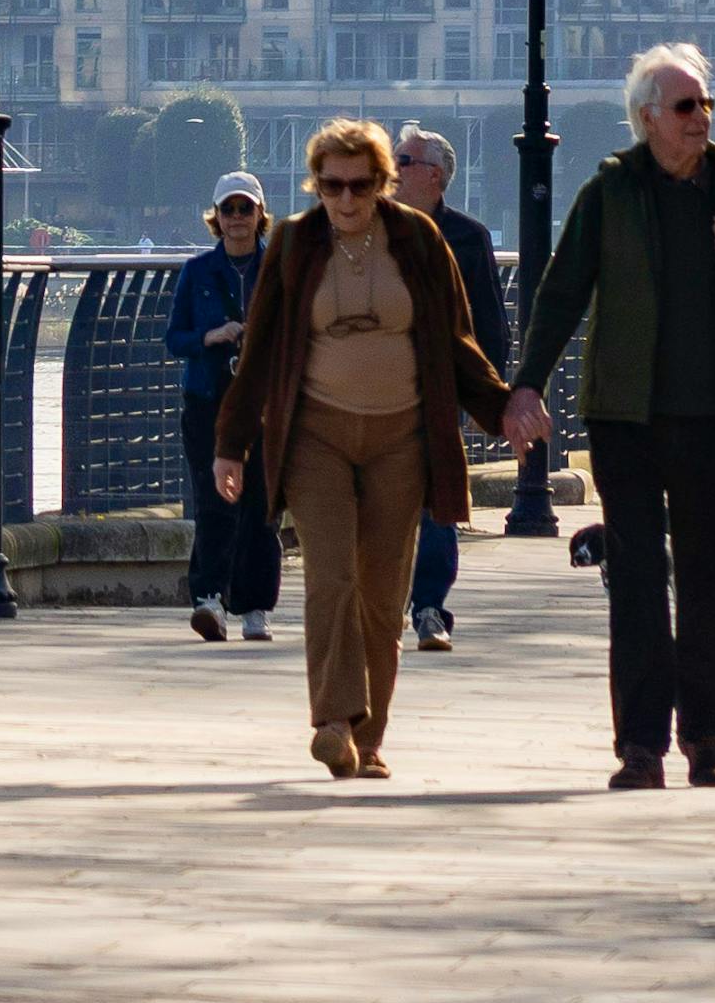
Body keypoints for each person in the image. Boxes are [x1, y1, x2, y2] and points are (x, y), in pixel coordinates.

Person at [497, 42, 715, 788]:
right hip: (624, 418)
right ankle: (640, 746)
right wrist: (526, 384)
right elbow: (561, 291)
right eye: (687, 107)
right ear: (648, 117)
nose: (702, 120)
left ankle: (704, 737)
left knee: (710, 577)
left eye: (706, 106)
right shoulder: (610, 195)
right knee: (634, 579)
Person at [216, 118, 511, 779]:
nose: (345, 200)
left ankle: (369, 740)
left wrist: (503, 407)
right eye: (330, 185)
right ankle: (331, 720)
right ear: (315, 184)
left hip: (399, 438)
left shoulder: (418, 240)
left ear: (382, 184)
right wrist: (230, 446)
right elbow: (258, 350)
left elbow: (458, 341)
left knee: (383, 594)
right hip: (315, 433)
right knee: (331, 575)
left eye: (358, 185)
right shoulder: (293, 243)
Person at [396, 124, 515, 653]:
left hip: (440, 390)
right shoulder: (373, 229)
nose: (392, 169)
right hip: (377, 387)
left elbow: (491, 327)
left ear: (436, 176)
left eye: (404, 161)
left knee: (437, 504)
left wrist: (481, 396)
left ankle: (428, 608)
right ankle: (383, 602)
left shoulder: (468, 237)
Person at [163, 183, 283, 643]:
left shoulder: (277, 269)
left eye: (245, 208)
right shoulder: (197, 272)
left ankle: (255, 607)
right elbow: (175, 339)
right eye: (228, 209)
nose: (236, 217)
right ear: (216, 216)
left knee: (261, 505)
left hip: (265, 403)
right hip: (208, 400)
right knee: (213, 501)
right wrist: (210, 337)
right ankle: (208, 598)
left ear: (259, 215)